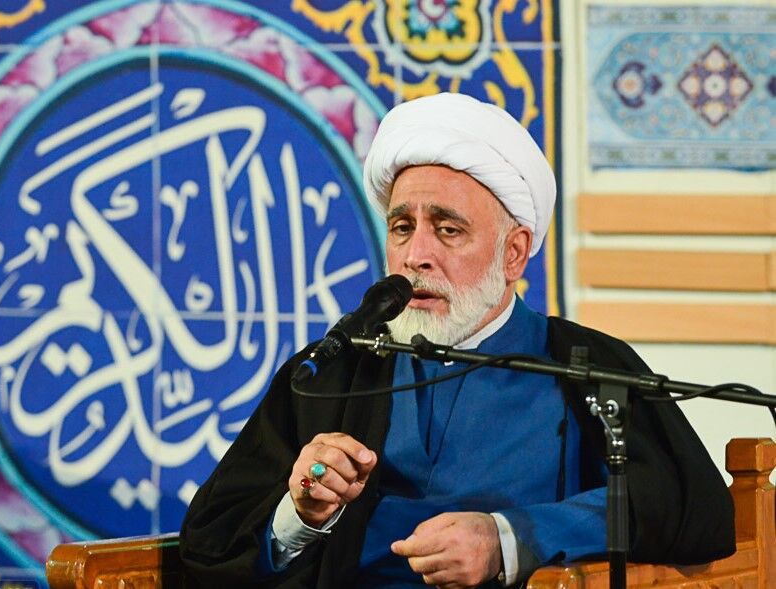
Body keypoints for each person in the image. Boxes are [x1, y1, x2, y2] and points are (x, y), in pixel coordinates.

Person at [179, 93, 735, 588]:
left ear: (513, 253)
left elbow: (688, 506)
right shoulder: (335, 369)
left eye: (448, 229)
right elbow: (212, 543)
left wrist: (508, 539)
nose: (416, 255)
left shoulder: (582, 366)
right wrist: (300, 516)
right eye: (402, 228)